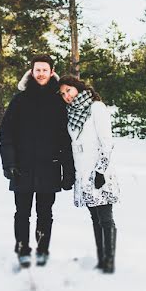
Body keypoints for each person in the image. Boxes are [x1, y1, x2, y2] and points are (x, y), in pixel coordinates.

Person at [0, 54, 75, 268]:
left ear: (52, 72)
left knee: (45, 213)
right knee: (22, 213)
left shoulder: (59, 101)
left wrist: (68, 172)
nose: (41, 73)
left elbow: (65, 139)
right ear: (31, 72)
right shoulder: (20, 100)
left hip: (49, 167)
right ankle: (23, 249)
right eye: (37, 70)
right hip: (21, 168)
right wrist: (9, 163)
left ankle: (42, 250)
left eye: (45, 70)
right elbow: (7, 134)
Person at [58, 75, 119, 274]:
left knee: (105, 217)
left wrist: (101, 170)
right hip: (82, 173)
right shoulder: (70, 113)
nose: (66, 95)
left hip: (98, 171)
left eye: (69, 90)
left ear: (77, 88)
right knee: (94, 217)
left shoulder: (96, 108)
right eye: (63, 93)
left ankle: (109, 262)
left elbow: (107, 142)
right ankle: (101, 258)